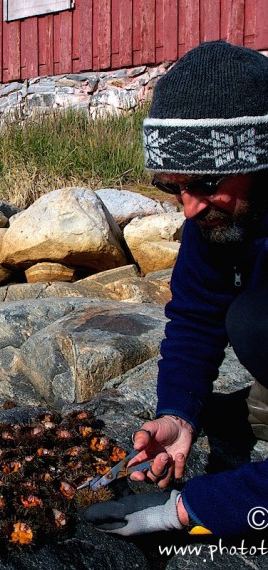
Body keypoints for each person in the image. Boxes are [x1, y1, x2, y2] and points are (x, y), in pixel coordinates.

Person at [85, 40, 268, 537]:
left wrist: (188, 510)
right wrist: (179, 413)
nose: (188, 208)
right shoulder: (221, 216)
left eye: (206, 183)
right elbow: (196, 316)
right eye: (173, 187)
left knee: (255, 323)